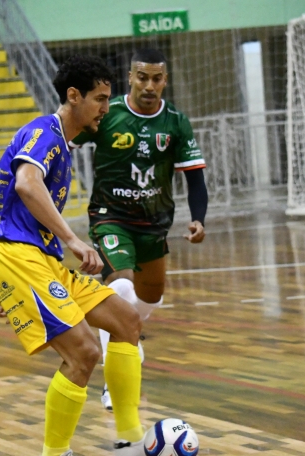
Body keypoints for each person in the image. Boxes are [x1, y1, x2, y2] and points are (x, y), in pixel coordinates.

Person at [0, 55, 148, 456]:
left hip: (33, 262)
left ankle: (130, 441)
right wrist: (73, 240)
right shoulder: (45, 133)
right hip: (20, 258)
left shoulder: (57, 145)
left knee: (126, 320)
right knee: (84, 352)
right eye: (100, 99)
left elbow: (15, 183)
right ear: (73, 96)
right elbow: (26, 184)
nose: (105, 109)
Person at [69, 49, 208, 410]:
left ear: (165, 80)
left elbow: (195, 177)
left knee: (149, 299)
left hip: (154, 225)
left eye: (156, 78)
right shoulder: (107, 114)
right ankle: (114, 378)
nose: (149, 85)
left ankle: (128, 330)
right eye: (142, 77)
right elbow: (61, 138)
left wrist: (198, 218)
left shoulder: (175, 121)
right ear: (129, 78)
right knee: (121, 288)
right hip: (110, 217)